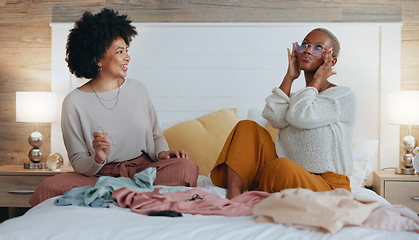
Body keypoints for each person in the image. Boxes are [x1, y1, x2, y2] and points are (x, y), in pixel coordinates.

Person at [30, 8, 198, 206]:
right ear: (97, 59)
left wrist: (162, 154)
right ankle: (130, 192)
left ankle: (115, 193)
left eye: (127, 50)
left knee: (187, 168)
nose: (127, 57)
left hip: (144, 170)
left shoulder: (138, 89)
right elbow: (78, 161)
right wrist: (98, 158)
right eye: (120, 52)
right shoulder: (73, 102)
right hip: (99, 175)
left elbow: (156, 135)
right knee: (47, 188)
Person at [210, 28, 356, 199]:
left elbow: (301, 115)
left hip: (326, 185)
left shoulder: (341, 97)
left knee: (282, 167)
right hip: (282, 172)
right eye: (305, 44)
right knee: (247, 127)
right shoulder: (300, 99)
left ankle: (265, 187)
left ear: (332, 60)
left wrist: (317, 81)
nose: (308, 50)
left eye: (318, 47)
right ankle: (234, 197)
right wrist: (289, 76)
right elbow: (274, 117)